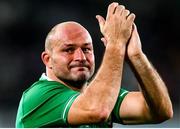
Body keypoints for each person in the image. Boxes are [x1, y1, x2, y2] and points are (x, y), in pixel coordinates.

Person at [16, 2, 173, 128]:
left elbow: (161, 112)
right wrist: (116, 45)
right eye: (68, 50)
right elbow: (97, 110)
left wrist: (136, 56)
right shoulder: (37, 96)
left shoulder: (102, 94)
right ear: (47, 59)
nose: (80, 57)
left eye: (86, 49)